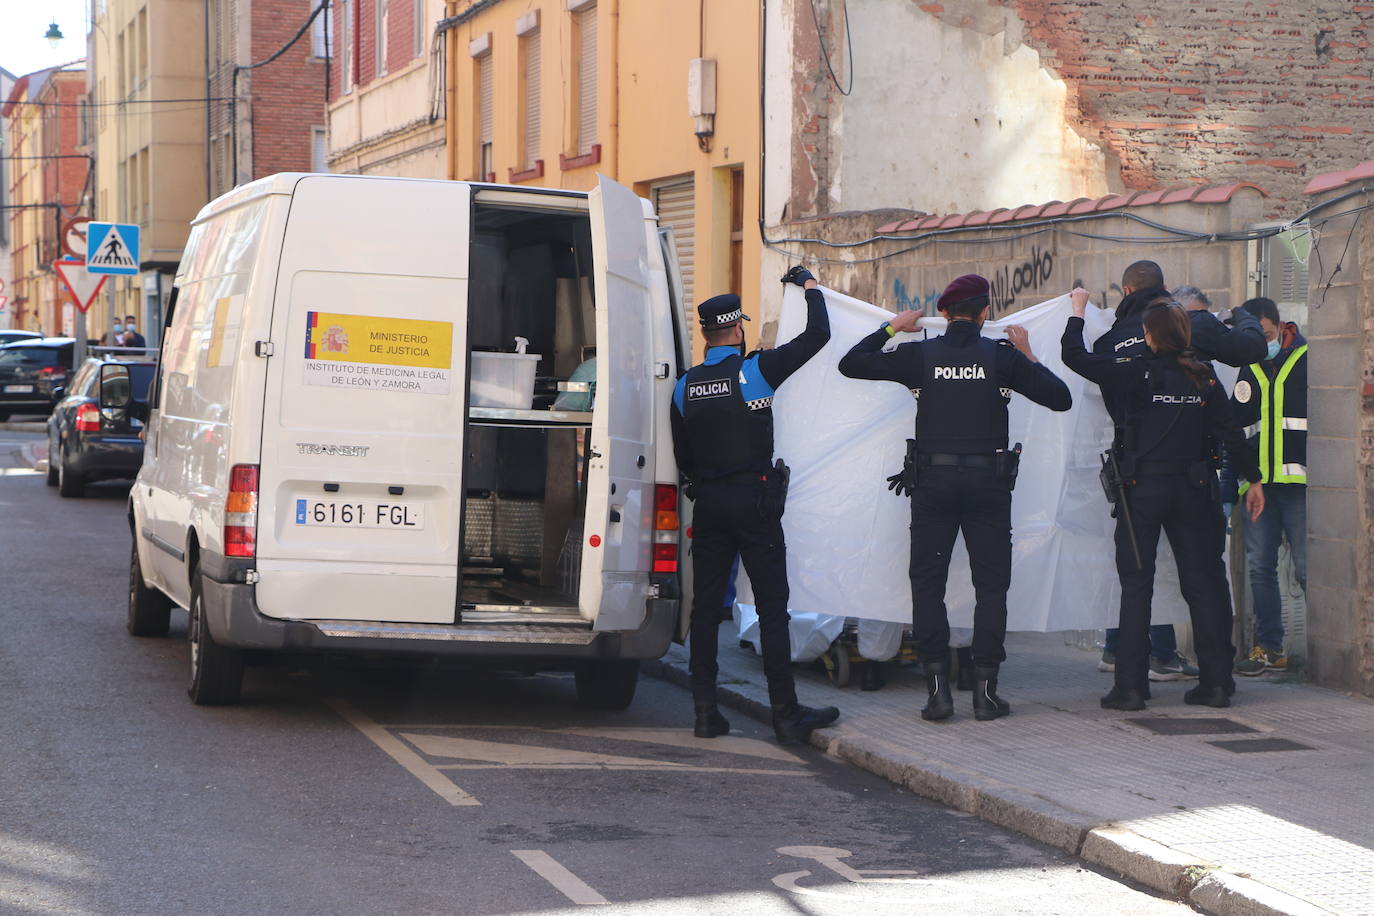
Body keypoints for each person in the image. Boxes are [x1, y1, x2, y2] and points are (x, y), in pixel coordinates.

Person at [838, 274, 1072, 722]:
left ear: (943, 314)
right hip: (988, 486)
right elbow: (1059, 398)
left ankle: (937, 694)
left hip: (934, 485)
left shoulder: (920, 354)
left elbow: (852, 363)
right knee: (991, 589)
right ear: (985, 314)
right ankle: (984, 694)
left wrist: (892, 327)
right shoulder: (1002, 358)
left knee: (928, 585)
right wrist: (1027, 354)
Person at [1062, 290, 1265, 709]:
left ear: (1151, 338)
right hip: (1195, 490)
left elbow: (1076, 358)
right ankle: (1216, 683)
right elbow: (1231, 435)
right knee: (1205, 584)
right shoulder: (1204, 377)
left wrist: (1077, 314)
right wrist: (1254, 480)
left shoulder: (1136, 373)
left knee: (1137, 586)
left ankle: (1131, 688)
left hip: (1142, 492)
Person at [671, 268, 840, 744]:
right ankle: (786, 716)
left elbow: (684, 457)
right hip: (754, 503)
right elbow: (819, 335)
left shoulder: (684, 386)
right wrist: (809, 287)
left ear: (706, 333)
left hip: (709, 505)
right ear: (739, 329)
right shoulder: (756, 371)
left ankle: (705, 713)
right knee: (772, 607)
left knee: (705, 610)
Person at [1228, 297, 1307, 676]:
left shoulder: (1308, 360)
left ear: (1281, 326)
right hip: (1257, 486)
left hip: (1299, 483)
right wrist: (1243, 482)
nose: (1263, 343)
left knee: (1308, 569)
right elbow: (1236, 430)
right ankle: (1270, 648)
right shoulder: (1246, 368)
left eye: (1268, 335)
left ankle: (1325, 654)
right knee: (1260, 568)